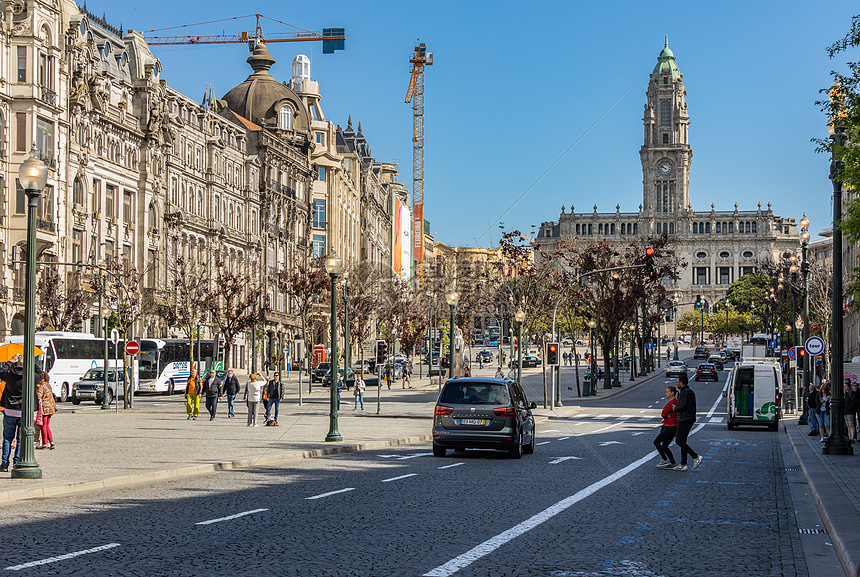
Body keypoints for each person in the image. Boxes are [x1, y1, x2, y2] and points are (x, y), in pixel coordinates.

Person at [0, 353, 42, 472]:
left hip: (10, 410)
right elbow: (41, 374)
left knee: (7, 438)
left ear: (16, 363)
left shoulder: (9, 374)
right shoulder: (31, 375)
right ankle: (16, 461)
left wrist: (10, 361)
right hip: (25, 411)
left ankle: (4, 464)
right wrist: (31, 362)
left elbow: (1, 371)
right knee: (20, 438)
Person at [671, 373, 702, 471]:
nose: (676, 384)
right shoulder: (688, 391)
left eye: (677, 382)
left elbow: (683, 406)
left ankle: (695, 456)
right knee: (682, 441)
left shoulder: (684, 392)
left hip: (685, 419)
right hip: (687, 418)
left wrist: (675, 408)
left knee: (679, 440)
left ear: (681, 382)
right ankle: (683, 464)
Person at [654, 386, 678, 468]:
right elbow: (665, 414)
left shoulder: (672, 402)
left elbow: (663, 414)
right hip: (670, 425)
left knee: (656, 442)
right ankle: (673, 462)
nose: (666, 393)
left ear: (672, 393)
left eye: (668, 392)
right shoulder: (674, 402)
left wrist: (667, 415)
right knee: (665, 445)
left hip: (670, 426)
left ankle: (664, 459)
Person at [36, 373, 56, 450]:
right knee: (47, 426)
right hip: (50, 407)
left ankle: (44, 443)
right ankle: (51, 442)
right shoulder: (48, 385)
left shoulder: (41, 386)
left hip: (44, 408)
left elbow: (38, 396)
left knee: (42, 426)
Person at [843, 378, 857, 443]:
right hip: (845, 410)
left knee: (851, 424)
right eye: (844, 386)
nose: (844, 388)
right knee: (848, 425)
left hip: (850, 411)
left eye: (845, 386)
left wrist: (849, 408)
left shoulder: (852, 393)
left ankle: (852, 437)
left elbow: (853, 402)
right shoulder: (844, 394)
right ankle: (850, 436)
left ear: (848, 387)